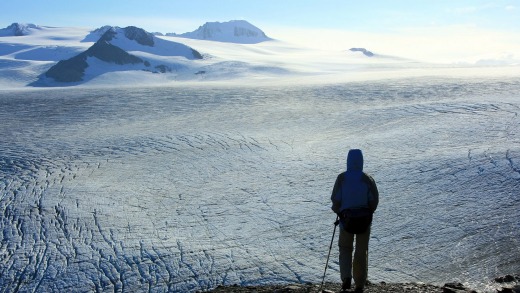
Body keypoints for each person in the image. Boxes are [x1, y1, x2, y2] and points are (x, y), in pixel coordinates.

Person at [331, 149, 379, 293]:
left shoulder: (341, 178)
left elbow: (335, 200)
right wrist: (369, 211)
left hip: (346, 220)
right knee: (360, 250)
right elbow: (374, 200)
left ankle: (346, 277)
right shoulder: (367, 179)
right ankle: (359, 283)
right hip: (364, 220)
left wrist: (338, 210)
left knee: (345, 248)